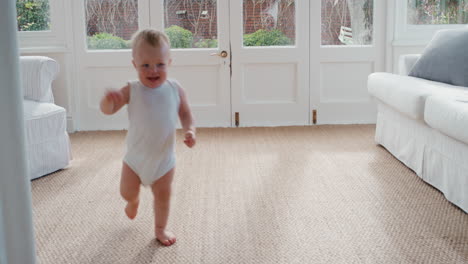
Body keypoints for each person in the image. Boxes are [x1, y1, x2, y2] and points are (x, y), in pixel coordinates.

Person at [99, 29, 196, 246]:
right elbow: (108, 110)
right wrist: (108, 100)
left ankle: (160, 229)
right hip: (135, 159)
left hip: (164, 159)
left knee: (163, 197)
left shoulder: (175, 89)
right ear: (135, 65)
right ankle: (133, 202)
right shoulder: (131, 89)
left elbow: (186, 114)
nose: (153, 70)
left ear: (169, 62)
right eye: (145, 65)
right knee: (126, 192)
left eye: (160, 64)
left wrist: (190, 130)